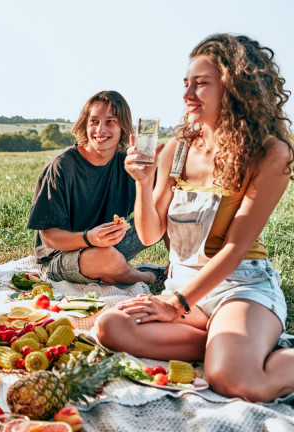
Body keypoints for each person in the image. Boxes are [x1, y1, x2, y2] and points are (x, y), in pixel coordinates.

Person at [94, 34, 294, 402]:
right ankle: (226, 344)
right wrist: (142, 181)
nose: (187, 94)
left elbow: (235, 249)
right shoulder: (178, 147)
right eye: (186, 83)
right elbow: (150, 233)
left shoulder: (270, 153)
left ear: (235, 87)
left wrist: (177, 304)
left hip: (240, 288)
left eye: (200, 84)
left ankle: (236, 350)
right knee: (110, 327)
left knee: (235, 381)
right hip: (185, 290)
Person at [27, 90, 159, 285]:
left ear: (122, 127)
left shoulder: (128, 165)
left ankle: (176, 270)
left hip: (110, 243)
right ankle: (148, 276)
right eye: (94, 121)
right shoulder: (61, 166)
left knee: (165, 210)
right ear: (85, 124)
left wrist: (146, 179)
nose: (100, 130)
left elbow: (159, 206)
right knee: (108, 260)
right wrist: (90, 238)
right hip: (62, 256)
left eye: (110, 122)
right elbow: (48, 238)